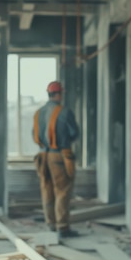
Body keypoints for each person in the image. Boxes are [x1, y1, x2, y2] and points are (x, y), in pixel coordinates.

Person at [32, 81, 80, 239]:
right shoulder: (65, 112)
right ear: (59, 94)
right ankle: (62, 227)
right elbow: (74, 133)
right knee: (62, 191)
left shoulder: (38, 113)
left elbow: (34, 136)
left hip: (42, 156)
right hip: (58, 155)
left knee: (47, 190)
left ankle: (50, 223)